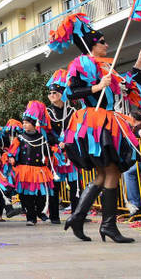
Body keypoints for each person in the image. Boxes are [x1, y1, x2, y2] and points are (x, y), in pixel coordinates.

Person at [60, 21, 141, 243]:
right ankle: (107, 225)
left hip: (107, 121)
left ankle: (78, 217)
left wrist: (138, 64)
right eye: (102, 42)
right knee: (111, 172)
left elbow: (123, 83)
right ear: (92, 45)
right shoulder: (81, 63)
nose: (107, 44)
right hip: (95, 120)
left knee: (104, 173)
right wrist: (97, 87)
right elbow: (71, 92)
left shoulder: (104, 67)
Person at [7, 101, 55, 226]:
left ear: (34, 124)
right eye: (23, 123)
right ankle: (31, 217)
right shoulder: (20, 138)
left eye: (27, 122)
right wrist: (11, 158)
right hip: (25, 171)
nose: (24, 125)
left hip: (39, 171)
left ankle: (40, 212)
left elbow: (48, 153)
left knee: (41, 195)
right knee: (26, 196)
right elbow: (12, 152)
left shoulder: (42, 138)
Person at [45, 69, 79, 224]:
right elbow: (45, 131)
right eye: (50, 93)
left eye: (55, 93)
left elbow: (76, 128)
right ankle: (54, 216)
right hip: (55, 152)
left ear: (61, 93)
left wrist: (68, 142)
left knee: (75, 184)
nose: (52, 95)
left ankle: (78, 214)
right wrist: (56, 143)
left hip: (70, 149)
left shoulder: (72, 110)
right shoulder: (46, 112)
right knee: (55, 185)